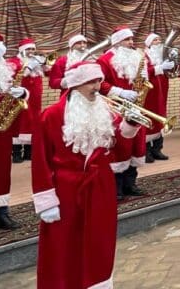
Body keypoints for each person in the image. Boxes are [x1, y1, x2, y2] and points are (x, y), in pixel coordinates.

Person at [31, 61, 141, 288]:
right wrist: (46, 200)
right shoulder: (51, 115)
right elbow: (40, 161)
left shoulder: (106, 110)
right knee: (64, 245)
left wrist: (130, 123)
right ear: (75, 84)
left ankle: (97, 282)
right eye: (91, 81)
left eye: (99, 80)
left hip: (100, 186)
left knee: (98, 241)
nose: (97, 86)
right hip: (66, 191)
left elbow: (119, 144)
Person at [97, 26, 147, 199]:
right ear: (117, 41)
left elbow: (140, 80)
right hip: (115, 108)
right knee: (119, 147)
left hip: (136, 106)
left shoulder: (137, 57)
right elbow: (99, 84)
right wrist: (121, 92)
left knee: (136, 145)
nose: (131, 43)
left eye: (132, 39)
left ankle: (130, 183)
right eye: (127, 40)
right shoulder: (104, 60)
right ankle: (115, 187)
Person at [0, 34, 26, 230]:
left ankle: (1, 211)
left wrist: (22, 93)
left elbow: (17, 89)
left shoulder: (5, 68)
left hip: (1, 127)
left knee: (1, 168)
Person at [13, 38, 48, 162]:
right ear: (22, 50)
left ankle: (28, 151)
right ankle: (16, 151)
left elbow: (48, 72)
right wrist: (29, 66)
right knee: (20, 120)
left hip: (35, 97)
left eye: (33, 48)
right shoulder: (15, 61)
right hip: (21, 95)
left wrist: (43, 64)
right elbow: (19, 76)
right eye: (28, 49)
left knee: (34, 120)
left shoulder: (36, 61)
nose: (31, 51)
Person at [143, 33, 175, 162]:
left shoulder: (163, 55)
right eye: (155, 40)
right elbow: (144, 71)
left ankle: (157, 149)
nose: (158, 42)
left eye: (159, 39)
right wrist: (160, 67)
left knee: (160, 118)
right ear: (149, 43)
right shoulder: (144, 56)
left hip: (161, 91)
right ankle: (146, 151)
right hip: (149, 93)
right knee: (148, 118)